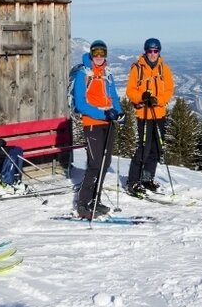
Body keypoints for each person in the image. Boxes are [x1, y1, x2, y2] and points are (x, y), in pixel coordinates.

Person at [71, 40, 124, 219]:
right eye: (96, 53)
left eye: (102, 53)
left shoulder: (107, 74)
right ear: (91, 54)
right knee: (94, 164)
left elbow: (114, 97)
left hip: (108, 124)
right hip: (92, 124)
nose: (99, 57)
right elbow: (81, 104)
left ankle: (95, 199)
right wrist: (103, 114)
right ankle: (83, 203)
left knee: (105, 163)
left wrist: (119, 112)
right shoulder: (83, 74)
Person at [125, 38, 175, 197]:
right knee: (144, 147)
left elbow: (169, 90)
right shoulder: (137, 68)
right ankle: (133, 181)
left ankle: (147, 178)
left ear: (159, 52)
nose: (153, 54)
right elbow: (130, 91)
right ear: (145, 51)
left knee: (155, 148)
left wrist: (157, 100)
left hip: (159, 113)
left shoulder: (164, 69)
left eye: (156, 51)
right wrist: (142, 96)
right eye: (150, 51)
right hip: (144, 114)